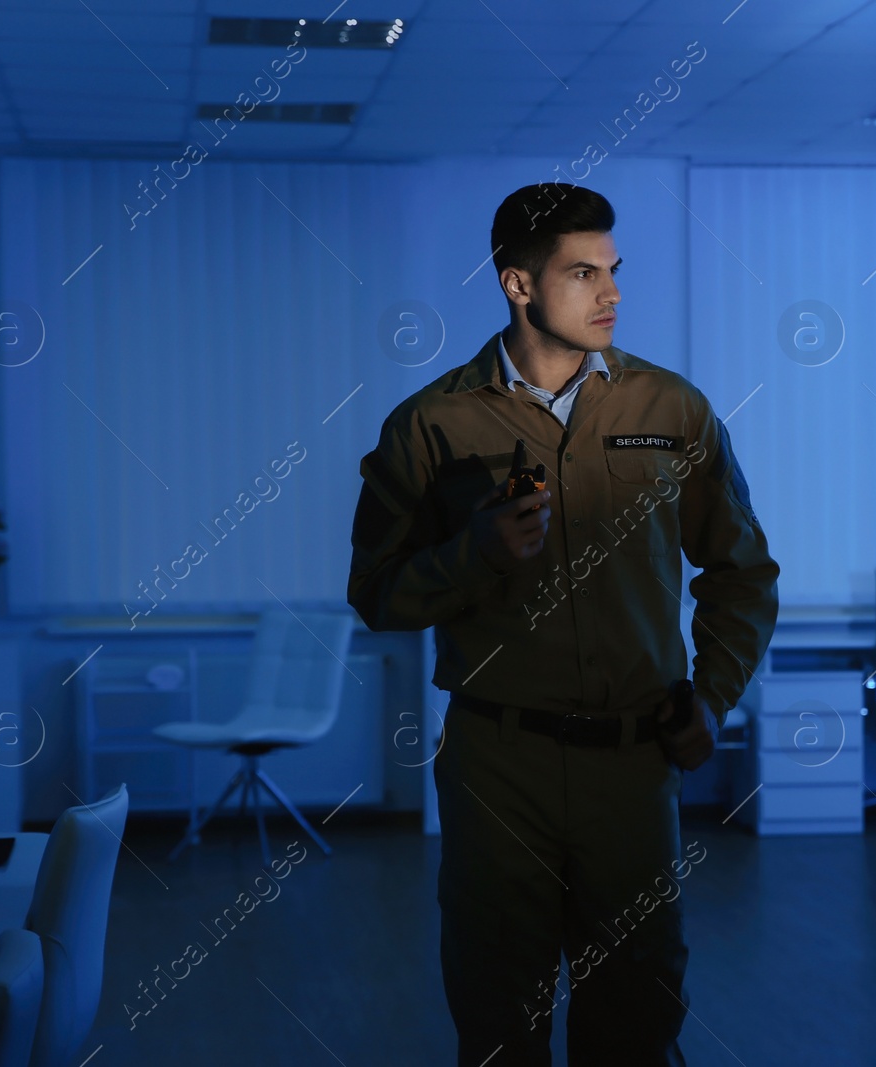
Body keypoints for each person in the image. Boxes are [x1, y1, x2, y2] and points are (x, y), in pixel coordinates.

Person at [347, 182, 779, 1066]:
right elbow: (376, 595)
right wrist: (474, 553)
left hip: (634, 762)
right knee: (500, 1016)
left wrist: (715, 695)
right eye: (583, 273)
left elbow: (742, 572)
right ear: (516, 283)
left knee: (638, 1016)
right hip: (497, 767)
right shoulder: (432, 425)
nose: (611, 293)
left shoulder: (673, 412)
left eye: (613, 271)